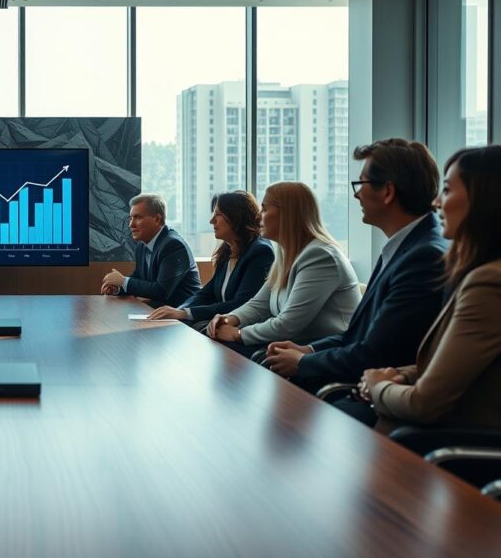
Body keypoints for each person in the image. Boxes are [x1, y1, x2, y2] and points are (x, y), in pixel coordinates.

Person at [263, 139, 448, 392]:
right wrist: (309, 350)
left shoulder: (423, 257)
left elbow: (376, 354)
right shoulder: (404, 247)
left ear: (387, 192)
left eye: (361, 184)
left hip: (380, 391)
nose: (356, 194)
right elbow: (357, 336)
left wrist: (303, 362)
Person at [358, 146, 501, 433]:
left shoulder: (488, 283)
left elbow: (424, 404)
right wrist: (400, 375)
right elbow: (453, 365)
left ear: (484, 200)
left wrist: (377, 386)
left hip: (461, 442)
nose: (436, 202)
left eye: (447, 190)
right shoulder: (477, 271)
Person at [208, 182, 360, 358]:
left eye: (265, 209)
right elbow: (260, 304)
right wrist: (229, 318)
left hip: (322, 353)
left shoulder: (320, 256)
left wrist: (238, 334)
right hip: (296, 345)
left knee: (230, 351)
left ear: (288, 214)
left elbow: (288, 324)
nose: (257, 216)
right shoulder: (287, 253)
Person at [147, 191, 274, 331]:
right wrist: (179, 311)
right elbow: (207, 293)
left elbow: (241, 304)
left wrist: (185, 313)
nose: (212, 220)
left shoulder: (260, 252)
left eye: (218, 214)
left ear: (236, 217)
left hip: (241, 330)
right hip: (220, 324)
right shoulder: (228, 249)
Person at [100, 193, 201, 308]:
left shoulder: (173, 245)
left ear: (157, 219)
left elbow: (161, 290)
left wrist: (123, 281)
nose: (131, 225)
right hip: (157, 310)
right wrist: (118, 287)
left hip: (182, 314)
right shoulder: (142, 245)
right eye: (131, 218)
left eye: (138, 217)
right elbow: (139, 277)